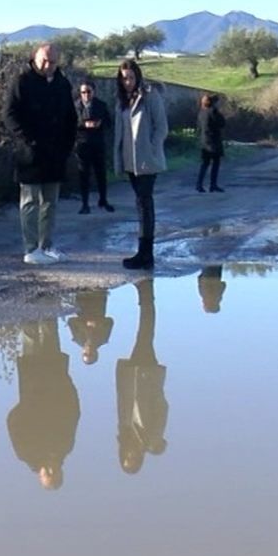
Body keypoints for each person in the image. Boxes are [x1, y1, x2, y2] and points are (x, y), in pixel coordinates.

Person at [4, 43, 78, 265]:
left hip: (55, 153)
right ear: (35, 59)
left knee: (50, 201)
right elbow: (9, 115)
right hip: (30, 153)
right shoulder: (22, 82)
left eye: (53, 62)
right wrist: (29, 140)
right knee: (30, 201)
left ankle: (46, 245)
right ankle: (31, 248)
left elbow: (71, 117)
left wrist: (67, 145)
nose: (48, 65)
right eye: (44, 60)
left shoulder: (62, 83)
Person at [6, 318, 81, 489]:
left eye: (48, 474)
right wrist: (67, 382)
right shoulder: (65, 446)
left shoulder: (25, 453)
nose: (50, 470)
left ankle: (27, 303)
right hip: (55, 377)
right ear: (61, 472)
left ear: (40, 475)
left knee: (29, 334)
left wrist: (25, 407)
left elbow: (12, 422)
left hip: (31, 381)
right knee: (49, 333)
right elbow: (73, 412)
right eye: (55, 474)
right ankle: (48, 299)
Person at [111, 58, 169, 270]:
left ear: (138, 76)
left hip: (147, 159)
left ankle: (145, 254)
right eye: (124, 78)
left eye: (131, 77)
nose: (128, 82)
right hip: (130, 160)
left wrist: (152, 148)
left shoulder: (150, 95)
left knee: (145, 203)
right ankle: (144, 253)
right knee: (140, 203)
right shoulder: (121, 101)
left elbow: (161, 127)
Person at [116, 277, 168, 474]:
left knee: (144, 335)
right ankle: (146, 294)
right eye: (133, 459)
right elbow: (162, 407)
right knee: (145, 334)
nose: (130, 454)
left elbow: (122, 402)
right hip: (147, 377)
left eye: (126, 457)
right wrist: (154, 383)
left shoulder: (124, 433)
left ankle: (145, 295)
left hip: (132, 377)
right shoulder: (151, 435)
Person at [74, 80, 115, 214]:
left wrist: (99, 124)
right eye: (83, 92)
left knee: (101, 173)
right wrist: (83, 125)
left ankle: (103, 199)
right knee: (83, 175)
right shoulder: (76, 106)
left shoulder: (101, 105)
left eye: (88, 92)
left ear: (94, 92)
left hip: (98, 144)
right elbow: (70, 124)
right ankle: (85, 203)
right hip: (82, 145)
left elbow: (109, 123)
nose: (86, 95)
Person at [65, 288, 115, 365]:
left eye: (85, 354)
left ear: (82, 352)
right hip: (98, 302)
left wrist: (84, 325)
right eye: (91, 354)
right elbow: (110, 321)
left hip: (82, 303)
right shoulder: (103, 338)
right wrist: (98, 323)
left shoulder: (77, 339)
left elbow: (71, 321)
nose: (88, 351)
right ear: (96, 353)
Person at [196, 93, 226, 193]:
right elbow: (222, 123)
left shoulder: (201, 112)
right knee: (216, 163)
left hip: (204, 140)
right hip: (214, 141)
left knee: (204, 163)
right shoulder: (213, 111)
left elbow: (199, 127)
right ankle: (213, 185)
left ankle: (199, 184)